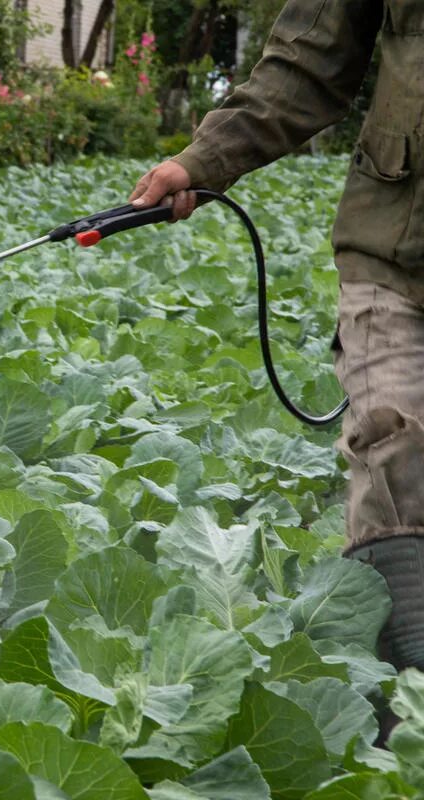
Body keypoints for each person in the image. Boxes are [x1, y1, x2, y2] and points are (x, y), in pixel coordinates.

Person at [129, 0, 424, 672]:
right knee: (392, 453)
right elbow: (309, 58)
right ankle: (404, 733)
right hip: (394, 249)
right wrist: (205, 159)